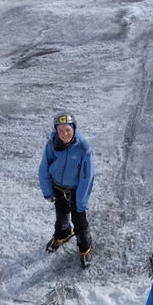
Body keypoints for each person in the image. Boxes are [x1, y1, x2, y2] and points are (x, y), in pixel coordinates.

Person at [38, 111, 94, 268]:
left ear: (74, 128)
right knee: (61, 212)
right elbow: (44, 166)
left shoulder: (84, 148)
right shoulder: (52, 143)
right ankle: (63, 233)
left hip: (76, 190)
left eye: (68, 129)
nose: (64, 133)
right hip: (58, 187)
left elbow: (87, 177)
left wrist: (81, 201)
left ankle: (85, 247)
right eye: (60, 130)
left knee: (79, 220)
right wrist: (47, 190)